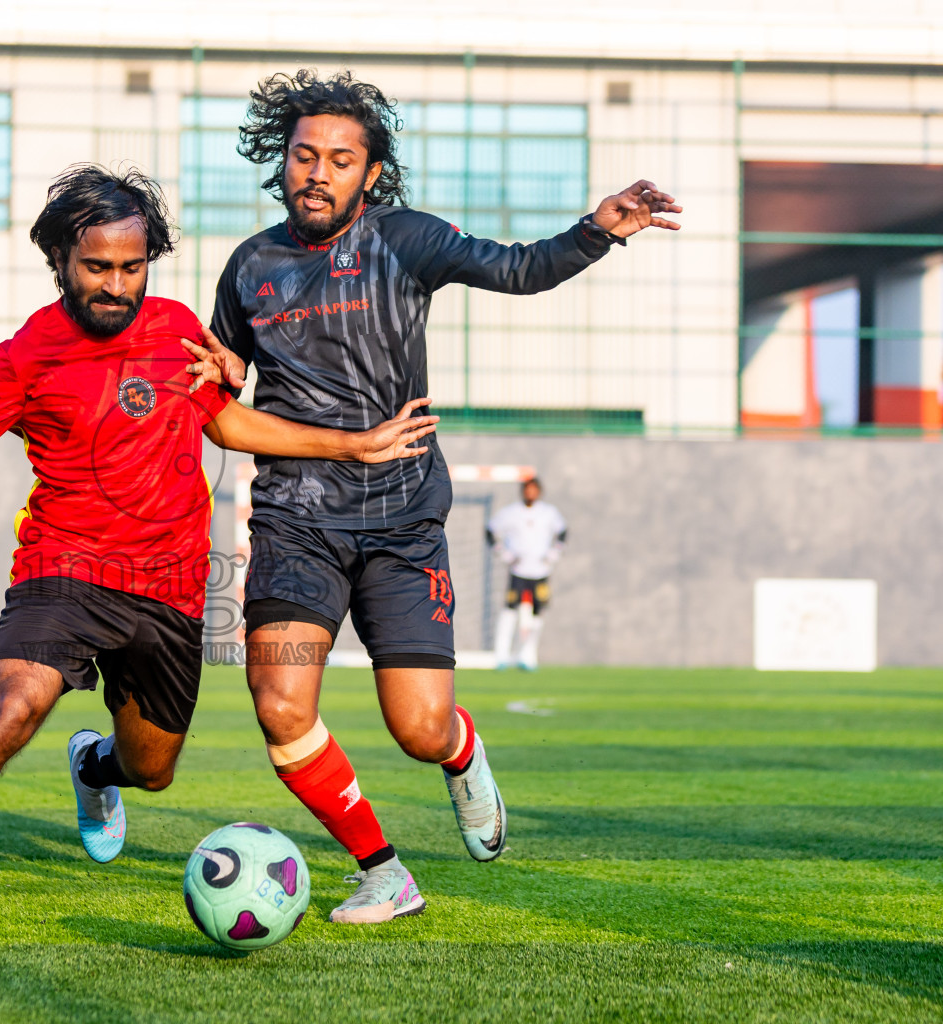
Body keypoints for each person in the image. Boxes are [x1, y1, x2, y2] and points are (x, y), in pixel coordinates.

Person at [0, 164, 438, 946]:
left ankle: (95, 769)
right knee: (13, 704)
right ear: (62, 261)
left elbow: (230, 426)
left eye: (131, 267)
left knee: (152, 767)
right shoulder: (24, 356)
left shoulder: (175, 330)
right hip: (62, 570)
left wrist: (353, 445)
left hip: (170, 591)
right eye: (96, 267)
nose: (115, 285)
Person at [197, 69, 681, 924]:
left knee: (419, 728)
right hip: (295, 522)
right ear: (282, 162)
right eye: (304, 155)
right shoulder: (250, 266)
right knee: (280, 705)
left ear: (370, 173)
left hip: (401, 521)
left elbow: (522, 268)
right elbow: (225, 381)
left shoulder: (405, 240)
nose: (319, 172)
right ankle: (383, 871)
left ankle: (462, 758)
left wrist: (597, 231)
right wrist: (223, 371)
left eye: (341, 160)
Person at [486, 477, 568, 671]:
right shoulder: (511, 512)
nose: (530, 493)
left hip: (540, 571)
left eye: (534, 490)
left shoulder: (548, 513)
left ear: (539, 492)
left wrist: (554, 553)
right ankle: (502, 656)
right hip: (518, 571)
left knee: (537, 614)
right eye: (527, 490)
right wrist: (504, 554)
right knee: (510, 610)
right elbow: (490, 531)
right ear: (522, 491)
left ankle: (528, 655)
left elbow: (563, 532)